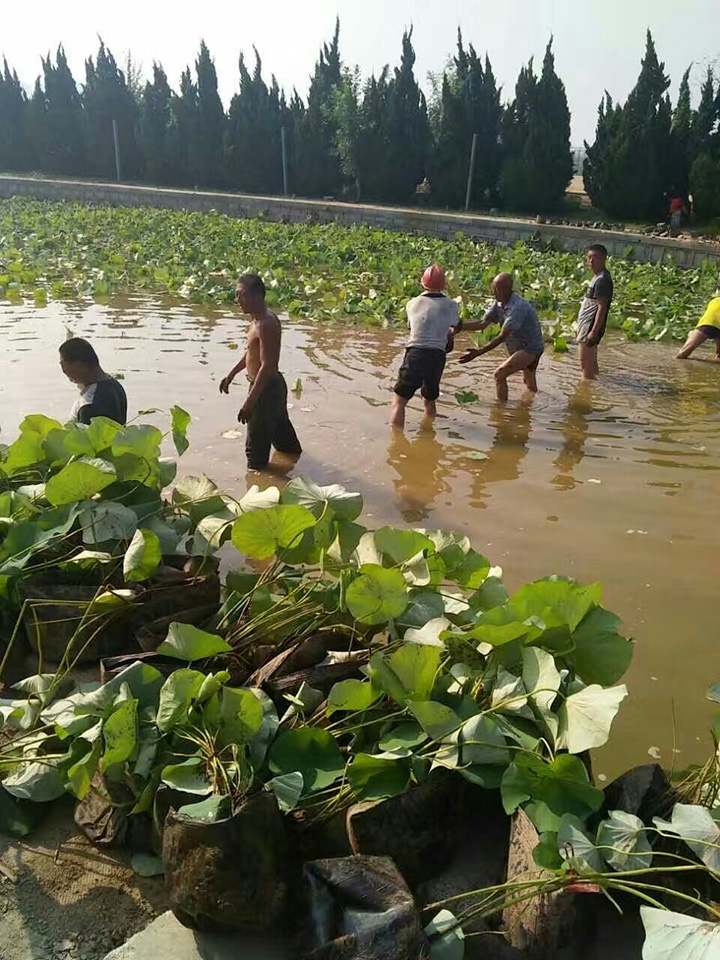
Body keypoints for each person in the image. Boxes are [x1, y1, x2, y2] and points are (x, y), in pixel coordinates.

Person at [219, 273, 302, 471]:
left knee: (255, 454)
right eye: (237, 295)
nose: (238, 300)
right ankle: (294, 468)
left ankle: (259, 482)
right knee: (284, 441)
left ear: (256, 296)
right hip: (266, 386)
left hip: (266, 388)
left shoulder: (267, 323)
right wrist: (231, 375)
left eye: (242, 295)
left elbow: (267, 366)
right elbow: (250, 353)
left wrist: (249, 402)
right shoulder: (255, 321)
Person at [390, 264, 462, 429]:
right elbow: (457, 326)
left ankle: (396, 438)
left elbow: (412, 327)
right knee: (429, 397)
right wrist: (449, 334)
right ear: (444, 285)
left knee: (399, 401)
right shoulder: (451, 305)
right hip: (437, 356)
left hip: (416, 353)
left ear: (423, 283)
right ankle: (429, 426)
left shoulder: (412, 303)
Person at [458, 273, 544, 401]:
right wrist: (459, 327)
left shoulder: (517, 307)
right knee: (529, 383)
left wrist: (478, 352)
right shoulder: (499, 303)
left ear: (505, 290)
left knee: (499, 375)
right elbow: (482, 324)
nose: (493, 292)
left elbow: (502, 336)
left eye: (495, 289)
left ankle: (501, 409)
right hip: (524, 346)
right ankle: (530, 407)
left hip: (530, 348)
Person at [59, 338, 127, 424]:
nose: (63, 370)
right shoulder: (114, 385)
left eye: (63, 364)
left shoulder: (89, 404)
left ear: (80, 366)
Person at [575, 243, 614, 380]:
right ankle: (597, 387)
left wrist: (594, 331)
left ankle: (587, 389)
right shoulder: (598, 277)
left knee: (585, 367)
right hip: (588, 327)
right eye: (589, 257)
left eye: (596, 257)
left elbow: (602, 307)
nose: (591, 261)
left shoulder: (602, 280)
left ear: (604, 259)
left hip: (590, 328)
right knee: (592, 365)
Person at [675, 296, 720, 362]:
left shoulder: (715, 300)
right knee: (682, 353)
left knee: (682, 354)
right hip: (709, 324)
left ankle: (692, 334)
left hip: (707, 324)